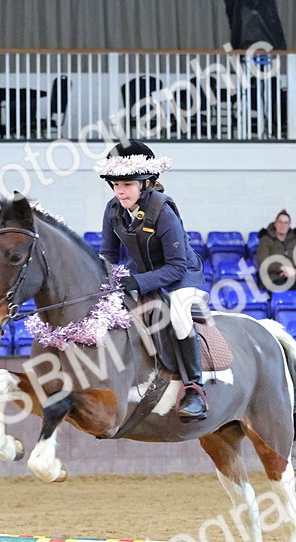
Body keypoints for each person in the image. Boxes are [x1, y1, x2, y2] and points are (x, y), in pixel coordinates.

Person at [96, 140, 208, 421]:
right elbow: (108, 254)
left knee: (179, 314)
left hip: (180, 277)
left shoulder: (163, 212)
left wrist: (137, 282)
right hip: (141, 274)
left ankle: (194, 388)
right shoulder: (113, 210)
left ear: (146, 183)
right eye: (115, 185)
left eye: (127, 184)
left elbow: (176, 267)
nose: (120, 191)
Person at [255, 209, 296, 292]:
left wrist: (295, 271)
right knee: (281, 289)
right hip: (273, 278)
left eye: (286, 223)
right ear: (275, 224)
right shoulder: (265, 240)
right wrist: (282, 268)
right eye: (280, 222)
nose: (283, 225)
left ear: (289, 225)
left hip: (295, 277)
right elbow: (263, 262)